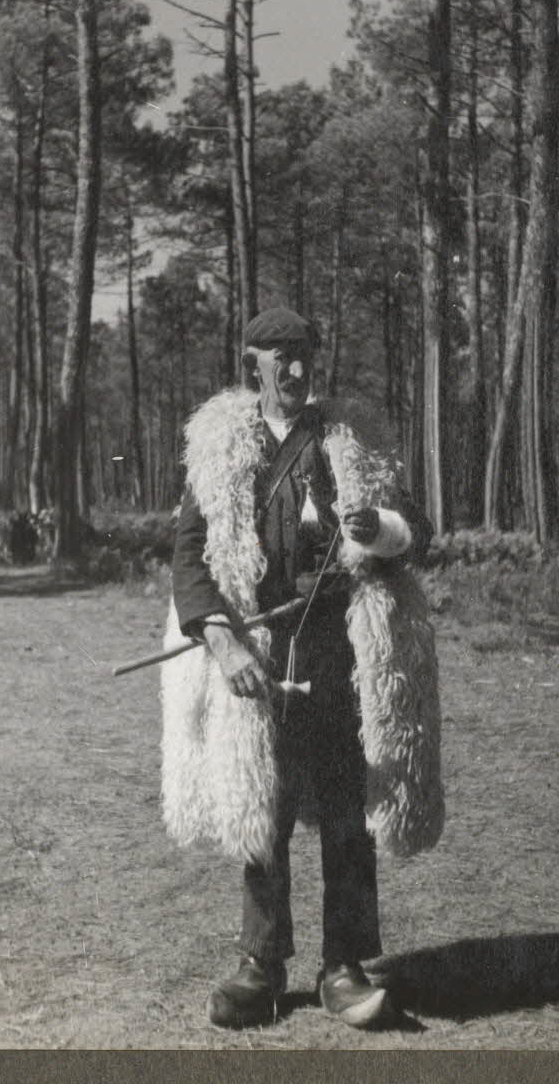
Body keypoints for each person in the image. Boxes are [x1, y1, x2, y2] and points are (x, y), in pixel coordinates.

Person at [161, 305, 443, 1031]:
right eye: (277, 356)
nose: (293, 369)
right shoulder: (218, 449)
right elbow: (189, 561)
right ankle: (261, 964)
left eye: (303, 354)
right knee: (264, 807)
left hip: (343, 648)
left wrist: (377, 530)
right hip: (256, 648)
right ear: (250, 363)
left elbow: (417, 533)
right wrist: (222, 644)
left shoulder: (350, 439)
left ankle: (345, 966)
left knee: (348, 812)